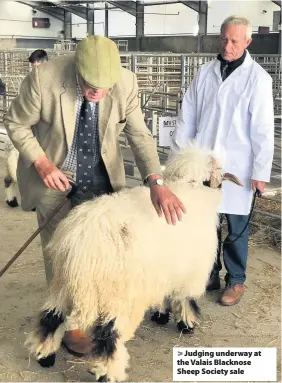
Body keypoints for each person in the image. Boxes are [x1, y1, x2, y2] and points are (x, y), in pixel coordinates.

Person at [4, 35, 185, 355]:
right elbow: (16, 124)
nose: (97, 94)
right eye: (90, 86)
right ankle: (68, 321)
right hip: (55, 179)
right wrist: (43, 164)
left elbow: (139, 134)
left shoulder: (126, 83)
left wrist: (157, 181)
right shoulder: (43, 79)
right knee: (60, 253)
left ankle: (97, 308)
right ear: (77, 70)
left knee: (102, 250)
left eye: (104, 88)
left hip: (102, 182)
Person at [171, 16, 274, 306]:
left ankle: (236, 280)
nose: (227, 46)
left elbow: (263, 130)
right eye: (224, 39)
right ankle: (210, 273)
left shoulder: (258, 79)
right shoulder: (205, 72)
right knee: (206, 223)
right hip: (203, 163)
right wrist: (179, 158)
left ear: (247, 42)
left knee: (236, 227)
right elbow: (187, 116)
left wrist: (260, 172)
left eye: (234, 41)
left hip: (237, 168)